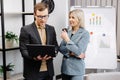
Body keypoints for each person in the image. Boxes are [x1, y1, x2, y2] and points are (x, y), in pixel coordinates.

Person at [19, 2, 58, 80]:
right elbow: (23, 50)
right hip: (33, 72)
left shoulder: (51, 29)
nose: (43, 19)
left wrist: (54, 53)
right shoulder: (26, 30)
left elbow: (56, 46)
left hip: (48, 72)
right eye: (40, 17)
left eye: (45, 16)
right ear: (34, 14)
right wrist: (35, 57)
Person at [59, 9, 90, 80]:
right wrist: (72, 53)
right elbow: (61, 48)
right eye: (69, 17)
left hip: (77, 71)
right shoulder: (68, 32)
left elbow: (78, 51)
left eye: (73, 17)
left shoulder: (85, 34)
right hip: (65, 69)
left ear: (79, 19)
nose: (70, 19)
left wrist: (67, 39)